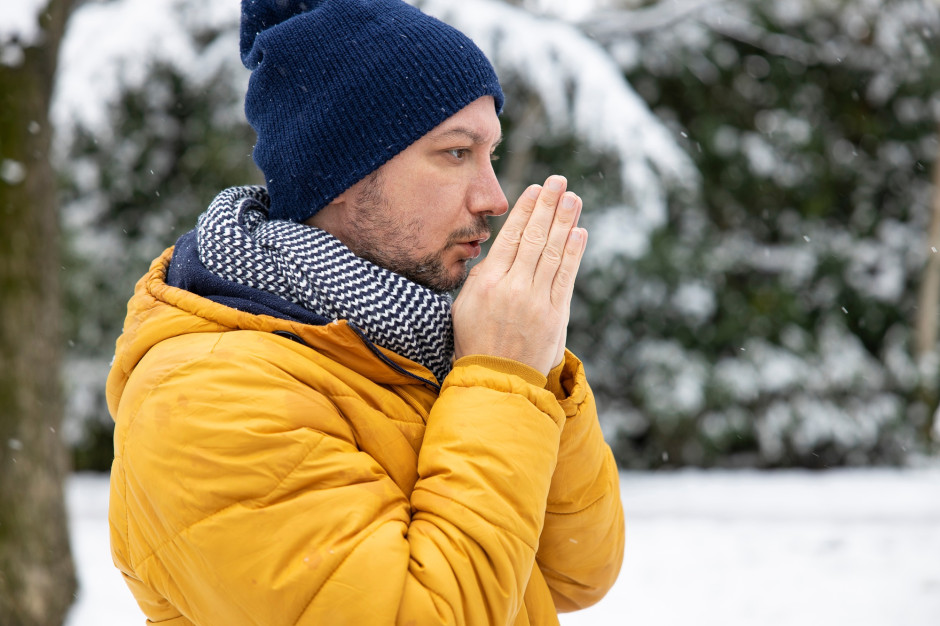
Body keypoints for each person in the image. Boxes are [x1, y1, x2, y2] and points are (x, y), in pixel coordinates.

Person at [105, 0, 625, 623]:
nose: (494, 197)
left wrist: (528, 364)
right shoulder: (206, 397)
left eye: (491, 154)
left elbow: (575, 571)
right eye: (456, 153)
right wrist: (502, 379)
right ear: (343, 174)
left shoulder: (416, 344)